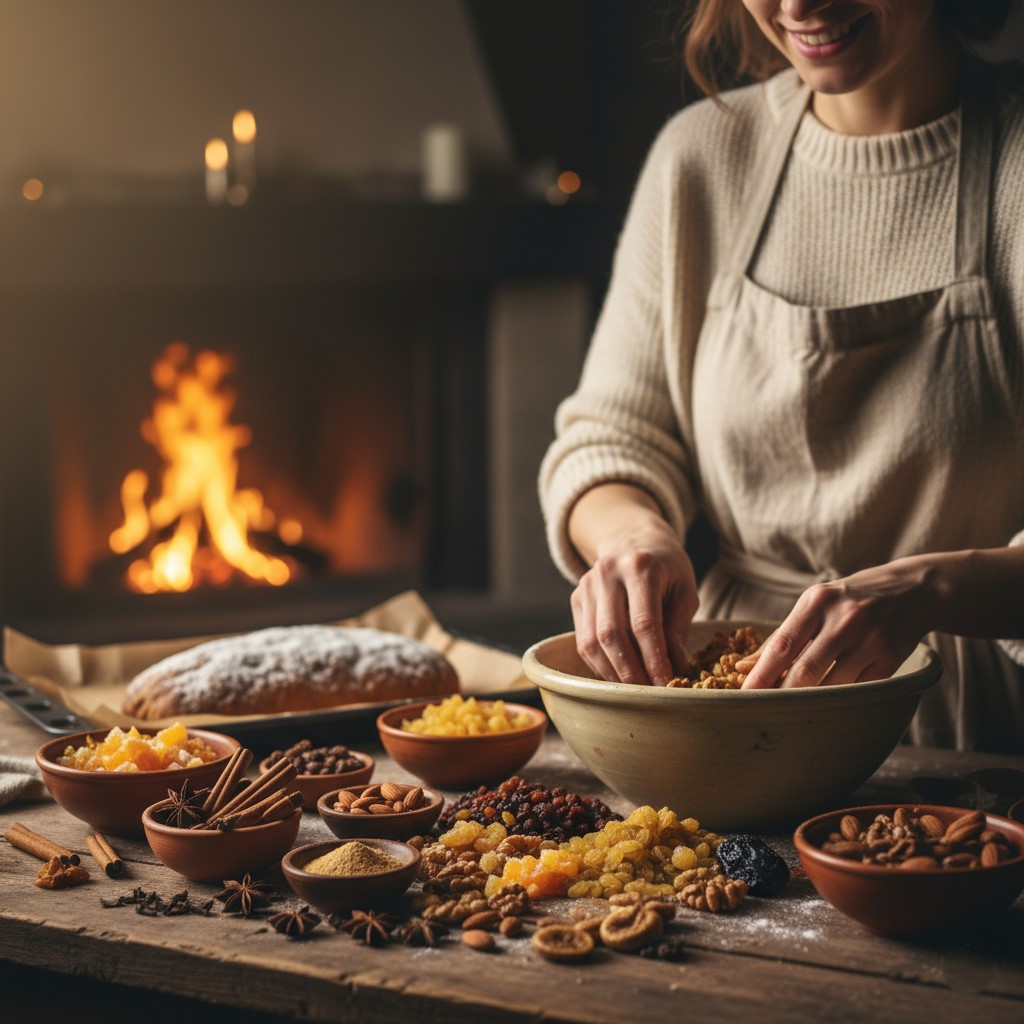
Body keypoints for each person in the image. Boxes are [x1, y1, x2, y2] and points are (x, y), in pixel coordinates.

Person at [539, 0, 1024, 753]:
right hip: (728, 718)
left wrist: (926, 590)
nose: (797, 6)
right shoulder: (701, 154)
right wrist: (634, 534)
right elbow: (611, 437)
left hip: (976, 731)